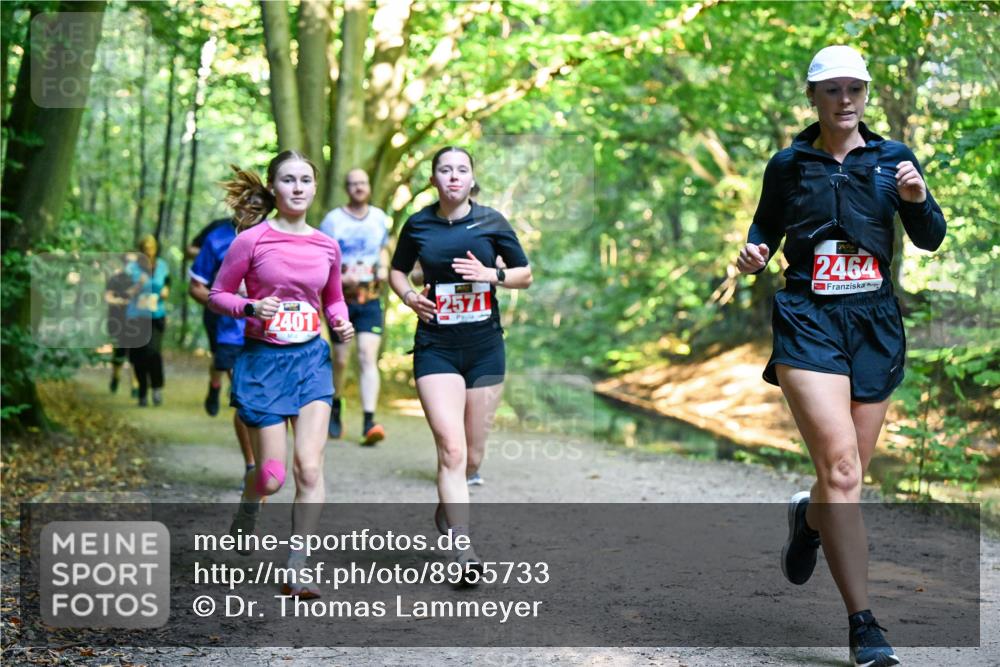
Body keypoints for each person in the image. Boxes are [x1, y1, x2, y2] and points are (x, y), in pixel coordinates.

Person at [736, 45, 945, 667]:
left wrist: (917, 199)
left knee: (842, 478)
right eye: (833, 90)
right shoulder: (788, 164)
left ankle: (810, 520)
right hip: (808, 319)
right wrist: (754, 254)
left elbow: (931, 238)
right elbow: (763, 227)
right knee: (844, 471)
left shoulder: (893, 159)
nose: (845, 99)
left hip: (874, 324)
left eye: (855, 88)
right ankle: (864, 625)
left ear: (866, 94)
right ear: (813, 97)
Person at [208, 150, 354, 598]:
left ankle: (298, 565)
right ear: (274, 187)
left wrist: (340, 320)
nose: (297, 187)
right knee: (271, 476)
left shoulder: (327, 245)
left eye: (305, 180)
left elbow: (333, 298)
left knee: (309, 468)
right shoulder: (251, 240)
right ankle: (250, 502)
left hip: (310, 362)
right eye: (288, 180)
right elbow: (218, 295)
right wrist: (251, 307)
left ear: (314, 187)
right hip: (263, 365)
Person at [389, 147, 532, 574]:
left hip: (485, 348)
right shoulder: (418, 224)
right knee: (451, 449)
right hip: (436, 346)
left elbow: (525, 274)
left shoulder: (492, 222)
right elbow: (397, 271)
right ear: (433, 179)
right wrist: (409, 297)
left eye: (461, 170)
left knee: (472, 456)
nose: (453, 176)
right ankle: (463, 550)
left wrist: (492, 275)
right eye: (445, 170)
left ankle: (448, 506)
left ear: (471, 179)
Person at [318, 169, 391, 445]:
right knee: (340, 359)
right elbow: (321, 259)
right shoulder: (332, 221)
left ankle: (369, 421)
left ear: (369, 186)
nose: (359, 188)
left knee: (366, 355)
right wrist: (338, 277)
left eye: (363, 183)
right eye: (353, 184)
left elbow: (384, 248)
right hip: (341, 300)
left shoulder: (379, 217)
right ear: (346, 189)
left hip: (370, 298)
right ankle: (336, 404)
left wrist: (383, 267)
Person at [189, 217, 255, 485]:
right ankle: (252, 466)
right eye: (244, 200)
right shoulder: (216, 234)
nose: (251, 206)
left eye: (258, 201)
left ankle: (266, 462)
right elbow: (196, 281)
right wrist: (228, 301)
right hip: (226, 326)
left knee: (258, 397)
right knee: (244, 395)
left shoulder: (281, 234)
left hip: (270, 332)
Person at [126, 235, 171, 407]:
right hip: (136, 316)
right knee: (139, 355)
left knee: (153, 352)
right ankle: (142, 392)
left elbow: (167, 283)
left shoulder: (162, 266)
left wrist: (166, 290)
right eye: (145, 248)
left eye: (151, 248)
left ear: (155, 249)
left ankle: (157, 387)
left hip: (156, 315)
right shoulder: (132, 268)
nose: (148, 251)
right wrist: (139, 285)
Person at [104, 254, 135, 395]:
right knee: (119, 352)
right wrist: (122, 302)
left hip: (135, 322)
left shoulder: (140, 279)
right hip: (117, 321)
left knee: (136, 352)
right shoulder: (115, 279)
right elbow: (108, 297)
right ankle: (115, 377)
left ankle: (135, 384)